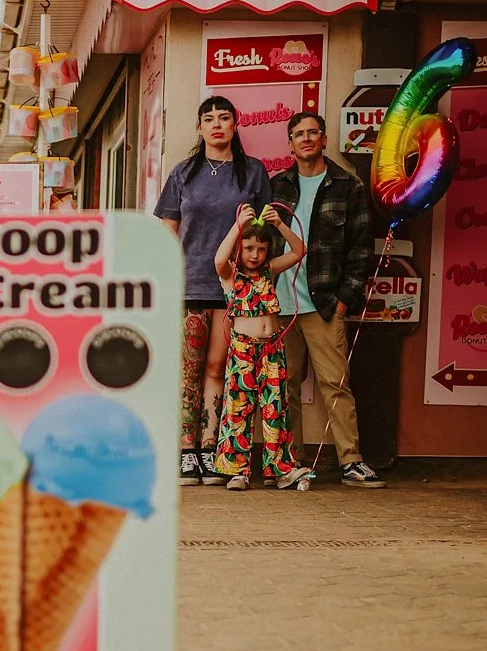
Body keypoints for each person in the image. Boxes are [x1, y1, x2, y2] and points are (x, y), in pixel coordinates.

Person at [154, 96, 271, 486]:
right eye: (209, 118)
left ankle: (211, 447)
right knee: (188, 371)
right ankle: (187, 452)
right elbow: (167, 229)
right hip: (191, 284)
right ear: (199, 127)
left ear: (236, 125)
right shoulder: (183, 173)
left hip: (236, 289)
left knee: (220, 369)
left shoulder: (253, 172)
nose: (217, 124)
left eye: (224, 118)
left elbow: (261, 235)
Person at [269, 111, 385, 488]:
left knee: (335, 384)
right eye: (298, 134)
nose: (305, 139)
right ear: (289, 143)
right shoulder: (276, 188)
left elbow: (361, 250)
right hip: (280, 305)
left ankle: (351, 462)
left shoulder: (346, 186)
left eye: (312, 133)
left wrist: (343, 300)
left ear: (322, 139)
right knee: (283, 385)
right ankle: (289, 463)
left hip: (322, 304)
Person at [211, 205, 315, 492]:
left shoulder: (270, 270)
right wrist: (238, 227)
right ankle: (236, 470)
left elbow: (298, 251)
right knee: (239, 408)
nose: (254, 254)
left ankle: (279, 468)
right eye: (248, 248)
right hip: (244, 351)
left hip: (272, 349)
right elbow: (219, 259)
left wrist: (280, 225)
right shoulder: (231, 275)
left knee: (275, 408)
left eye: (260, 248)